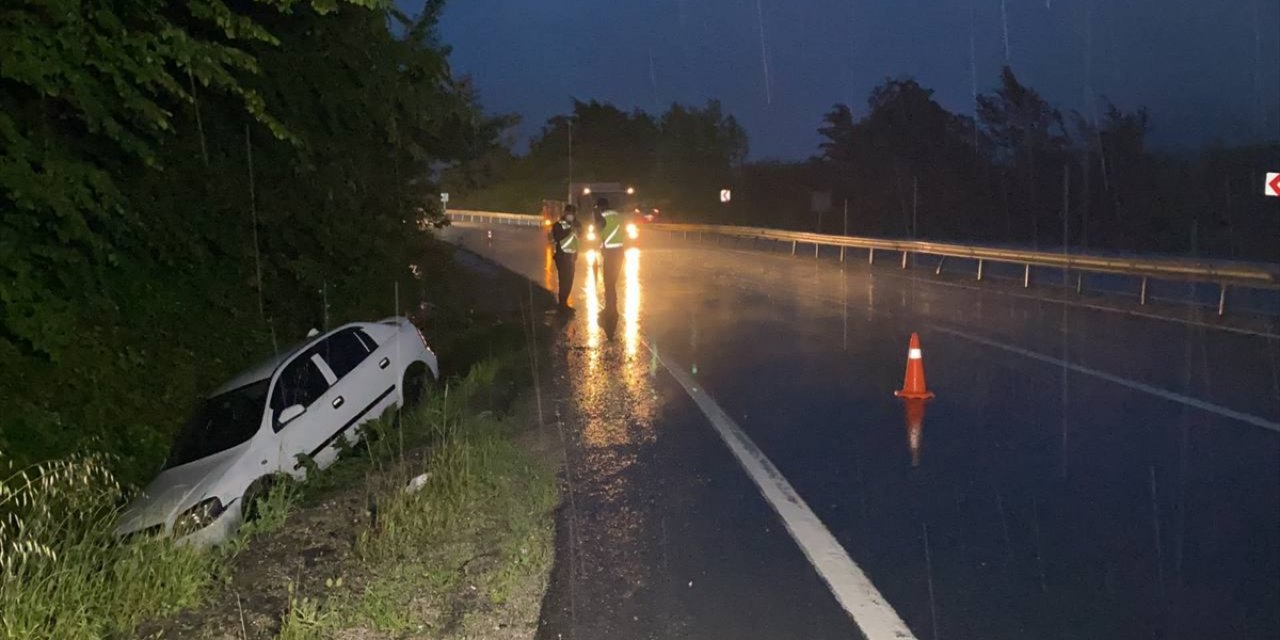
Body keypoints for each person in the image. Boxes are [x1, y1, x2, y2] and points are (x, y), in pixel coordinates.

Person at [595, 196, 625, 312]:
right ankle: (612, 308)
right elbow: (624, 232)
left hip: (609, 253)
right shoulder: (619, 217)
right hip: (620, 251)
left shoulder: (602, 217)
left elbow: (599, 230)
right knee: (613, 281)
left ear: (601, 207)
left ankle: (610, 308)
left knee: (608, 282)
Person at [550, 204, 581, 310]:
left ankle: (564, 303)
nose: (571, 215)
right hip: (562, 256)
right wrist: (569, 230)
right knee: (563, 280)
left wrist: (576, 227)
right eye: (569, 213)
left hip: (571, 256)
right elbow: (557, 237)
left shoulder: (576, 224)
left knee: (570, 280)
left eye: (573, 214)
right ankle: (562, 304)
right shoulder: (558, 224)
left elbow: (580, 235)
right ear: (565, 213)